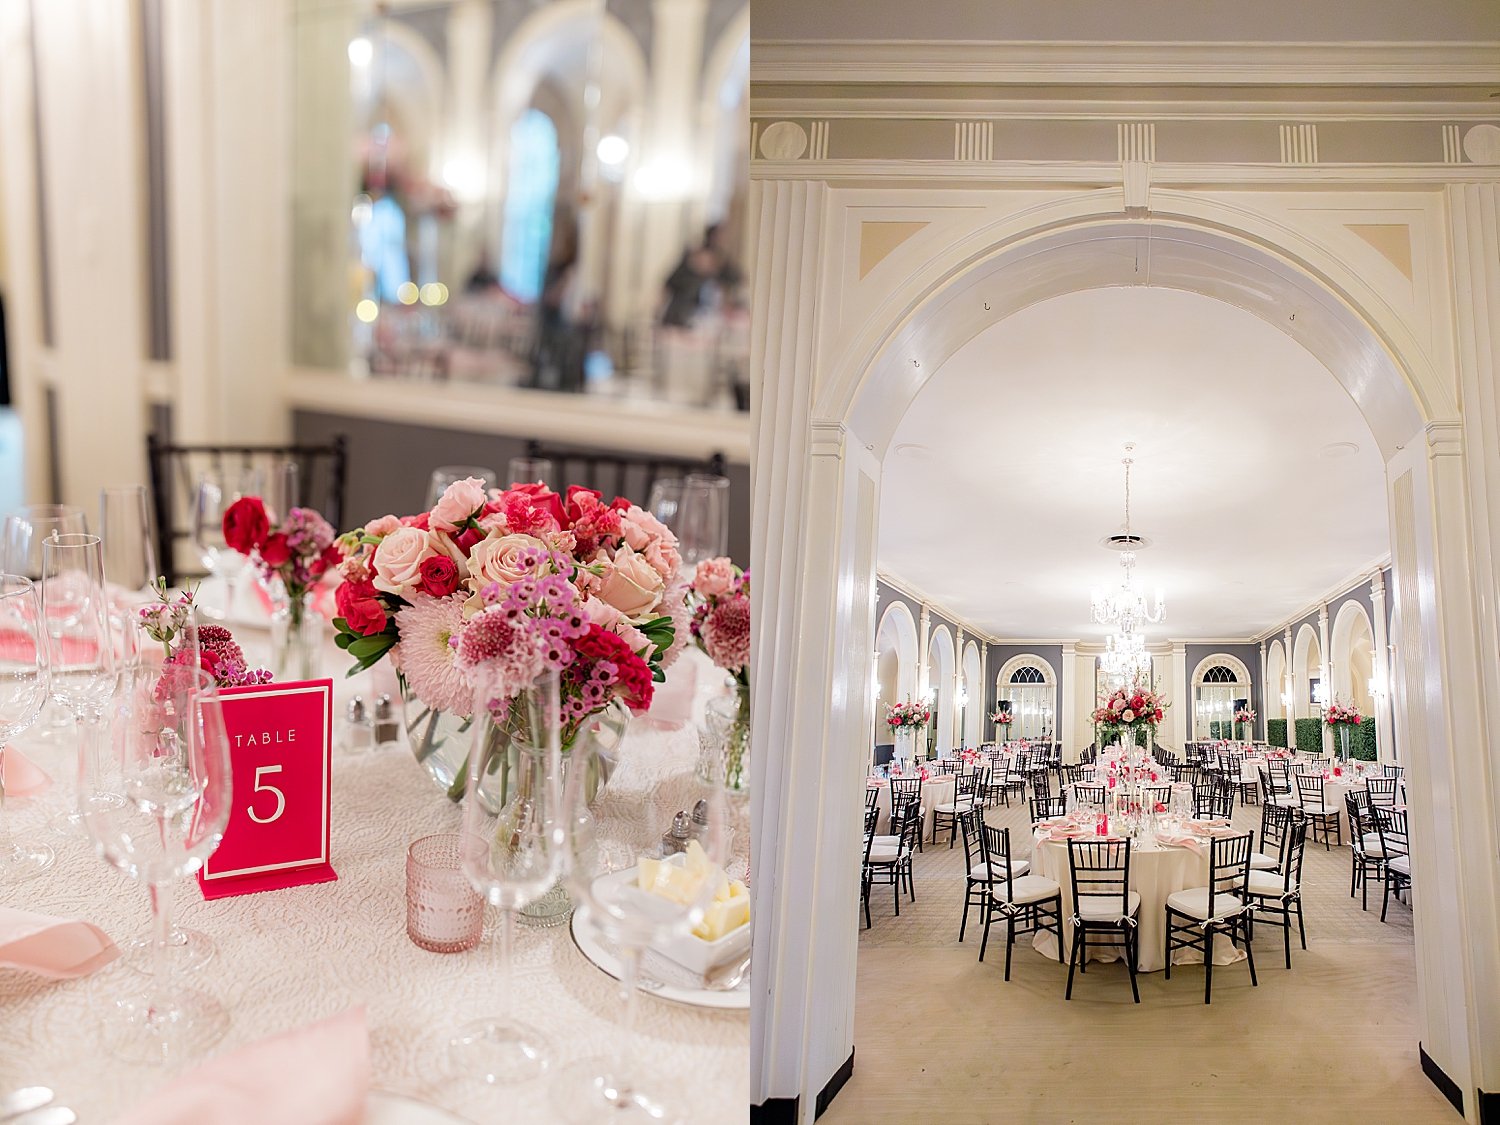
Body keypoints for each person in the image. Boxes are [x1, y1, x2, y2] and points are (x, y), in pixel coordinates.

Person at [659, 223, 742, 328]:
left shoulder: (722, 261)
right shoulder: (696, 256)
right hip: (684, 313)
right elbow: (670, 283)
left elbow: (735, 278)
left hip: (704, 314)